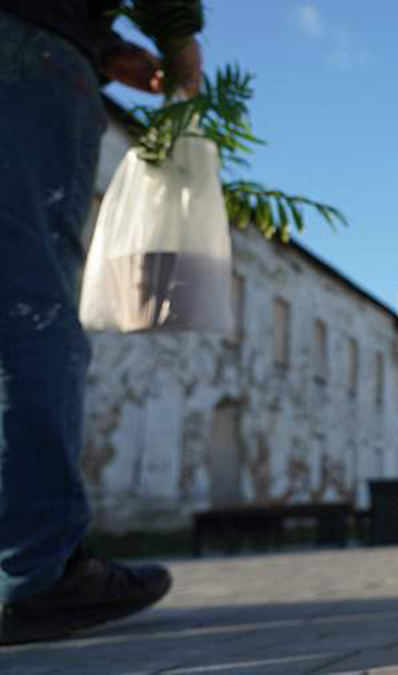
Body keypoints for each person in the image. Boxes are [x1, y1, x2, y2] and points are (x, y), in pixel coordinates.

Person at [0, 0, 203, 645]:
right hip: (29, 54)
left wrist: (102, 40)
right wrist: (176, 35)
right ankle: (31, 570)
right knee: (25, 304)